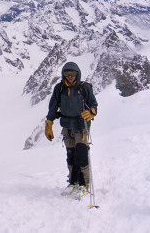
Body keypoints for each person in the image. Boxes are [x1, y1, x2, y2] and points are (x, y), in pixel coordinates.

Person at [45, 61, 98, 198]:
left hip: (81, 126)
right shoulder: (59, 88)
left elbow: (93, 103)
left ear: (77, 74)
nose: (70, 76)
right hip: (67, 125)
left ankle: (84, 184)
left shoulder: (84, 87)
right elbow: (53, 106)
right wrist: (49, 123)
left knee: (81, 154)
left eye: (72, 74)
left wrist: (91, 112)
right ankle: (73, 182)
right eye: (67, 74)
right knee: (71, 155)